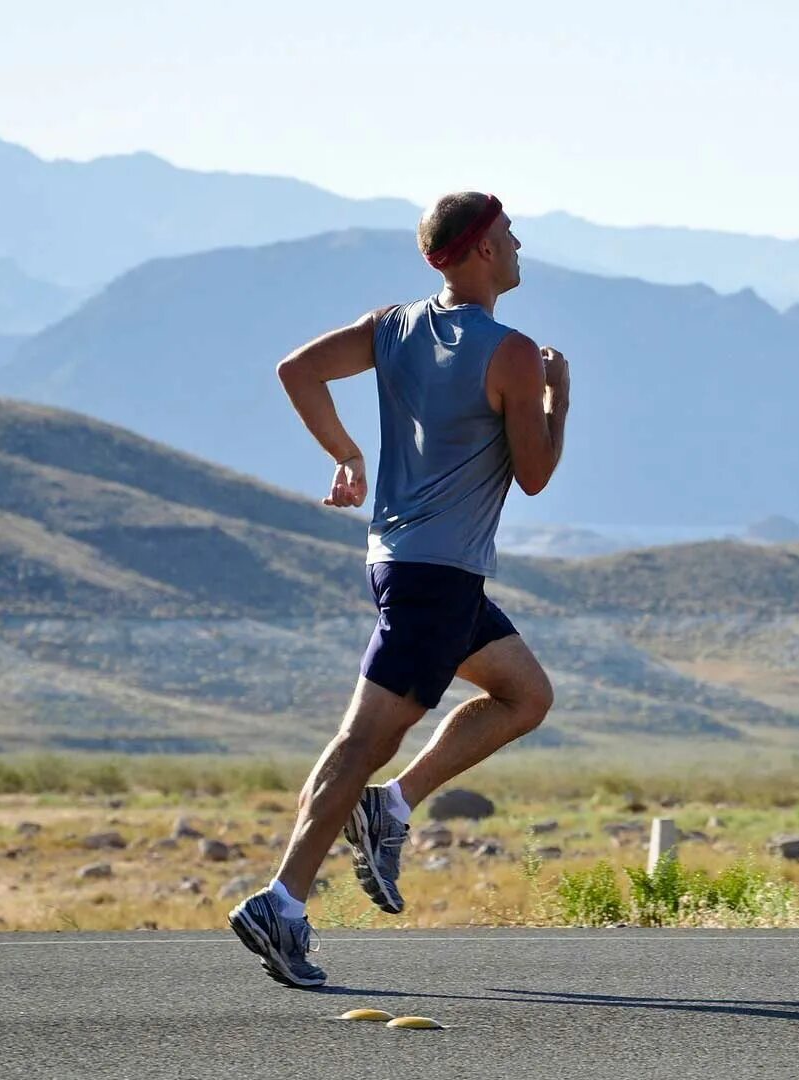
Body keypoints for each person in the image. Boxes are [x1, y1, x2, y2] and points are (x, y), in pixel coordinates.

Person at [229, 192, 569, 987]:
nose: (520, 249)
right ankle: (282, 901)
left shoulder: (393, 325)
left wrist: (345, 453)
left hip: (406, 564)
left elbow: (297, 369)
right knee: (361, 741)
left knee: (525, 695)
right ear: (482, 248)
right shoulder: (513, 353)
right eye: (511, 237)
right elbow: (536, 475)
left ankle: (392, 805)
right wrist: (558, 397)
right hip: (437, 578)